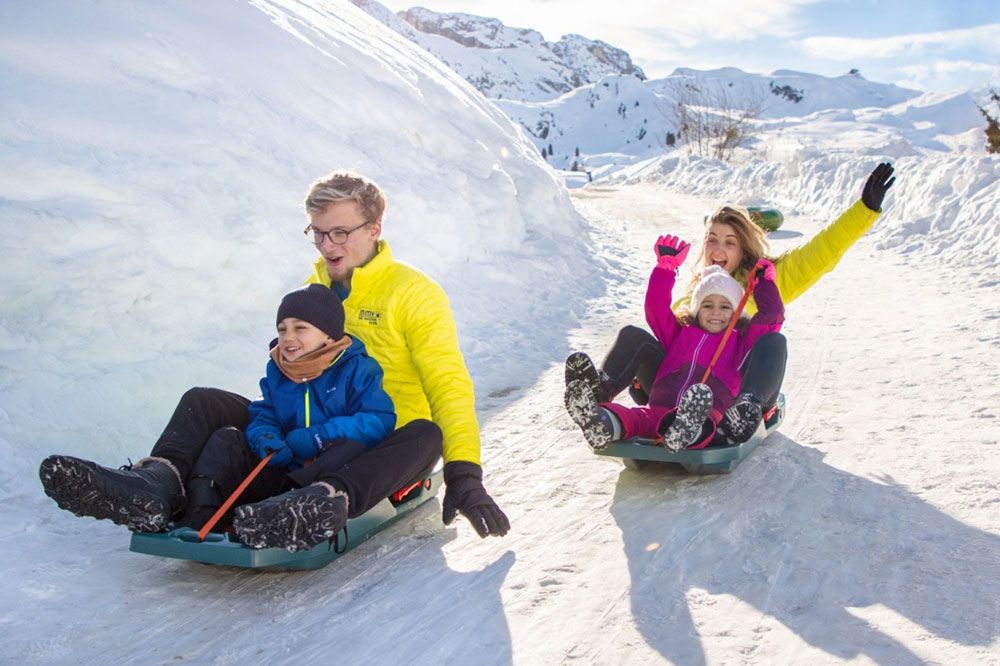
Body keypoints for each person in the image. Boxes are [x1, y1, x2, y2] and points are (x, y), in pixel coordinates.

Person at [39, 171, 509, 544]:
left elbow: (448, 385)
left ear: (375, 228)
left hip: (377, 439)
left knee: (425, 434)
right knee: (203, 401)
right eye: (318, 233)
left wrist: (464, 473)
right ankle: (157, 487)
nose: (328, 247)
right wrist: (272, 429)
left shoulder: (413, 294)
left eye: (341, 232)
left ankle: (322, 503)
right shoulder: (315, 291)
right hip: (307, 432)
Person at [572, 162, 895, 441]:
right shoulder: (698, 287)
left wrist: (863, 210)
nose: (718, 250)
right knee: (635, 336)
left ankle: (741, 413)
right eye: (712, 240)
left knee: (772, 342)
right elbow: (668, 330)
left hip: (728, 388)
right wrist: (643, 378)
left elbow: (823, 251)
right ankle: (595, 396)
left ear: (744, 247)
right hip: (678, 386)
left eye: (729, 242)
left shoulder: (764, 279)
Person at [565, 234, 783, 451]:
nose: (716, 313)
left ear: (736, 312)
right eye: (707, 305)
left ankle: (689, 431)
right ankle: (599, 414)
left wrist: (764, 283)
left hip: (709, 412)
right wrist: (665, 268)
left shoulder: (741, 343)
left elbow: (771, 315)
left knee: (774, 341)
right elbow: (655, 310)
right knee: (633, 414)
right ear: (697, 309)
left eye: (725, 307)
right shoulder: (681, 333)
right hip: (661, 408)